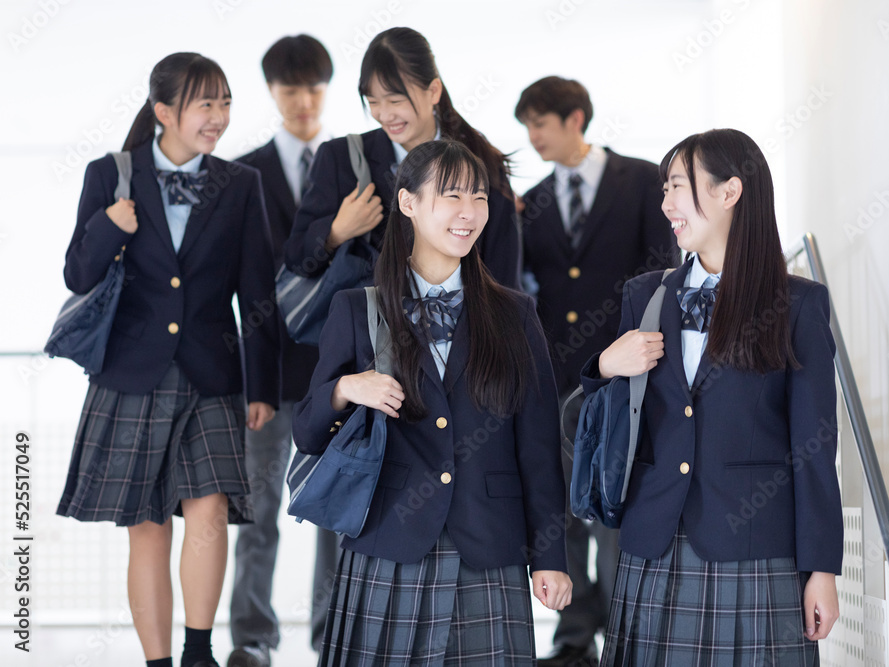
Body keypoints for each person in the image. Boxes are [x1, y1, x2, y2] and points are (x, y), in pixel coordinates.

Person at [292, 140, 571, 665]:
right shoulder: (357, 309)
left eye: (479, 196)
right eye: (452, 195)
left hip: (489, 545)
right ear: (408, 203)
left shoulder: (515, 315)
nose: (469, 211)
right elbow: (307, 431)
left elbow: (538, 448)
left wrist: (550, 557)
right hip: (388, 540)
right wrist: (346, 388)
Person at [585, 129, 842, 665]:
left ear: (730, 192)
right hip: (653, 541)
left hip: (754, 548)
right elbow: (605, 418)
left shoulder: (798, 305)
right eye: (664, 190)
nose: (666, 204)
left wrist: (821, 569)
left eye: (678, 186)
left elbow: (815, 447)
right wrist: (605, 366)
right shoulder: (644, 296)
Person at [56, 52, 280, 667]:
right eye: (205, 104)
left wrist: (263, 385)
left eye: (225, 102)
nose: (219, 116)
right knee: (148, 526)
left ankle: (198, 653)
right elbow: (78, 273)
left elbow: (257, 291)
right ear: (163, 111)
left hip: (213, 374)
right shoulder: (111, 174)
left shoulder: (241, 184)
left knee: (210, 510)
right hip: (132, 375)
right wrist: (110, 225)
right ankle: (158, 661)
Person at [515, 75, 678, 666]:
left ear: (575, 119)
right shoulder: (529, 202)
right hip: (557, 381)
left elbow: (664, 272)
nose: (532, 137)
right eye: (527, 126)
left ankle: (625, 637)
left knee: (616, 510)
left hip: (628, 377)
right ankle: (574, 637)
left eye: (540, 124)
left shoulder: (642, 180)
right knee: (562, 512)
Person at [228, 35, 338, 667]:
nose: (304, 100)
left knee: (338, 514)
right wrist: (255, 385)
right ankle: (252, 639)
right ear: (272, 92)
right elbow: (242, 286)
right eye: (291, 88)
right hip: (268, 376)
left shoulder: (354, 168)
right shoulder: (244, 174)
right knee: (257, 515)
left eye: (314, 87)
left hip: (339, 375)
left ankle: (334, 638)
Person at [284, 26, 522, 293]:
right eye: (373, 102)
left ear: (433, 91)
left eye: (395, 101)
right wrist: (336, 232)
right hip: (371, 319)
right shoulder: (341, 158)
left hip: (463, 318)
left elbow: (505, 281)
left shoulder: (481, 160)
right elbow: (296, 259)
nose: (385, 115)